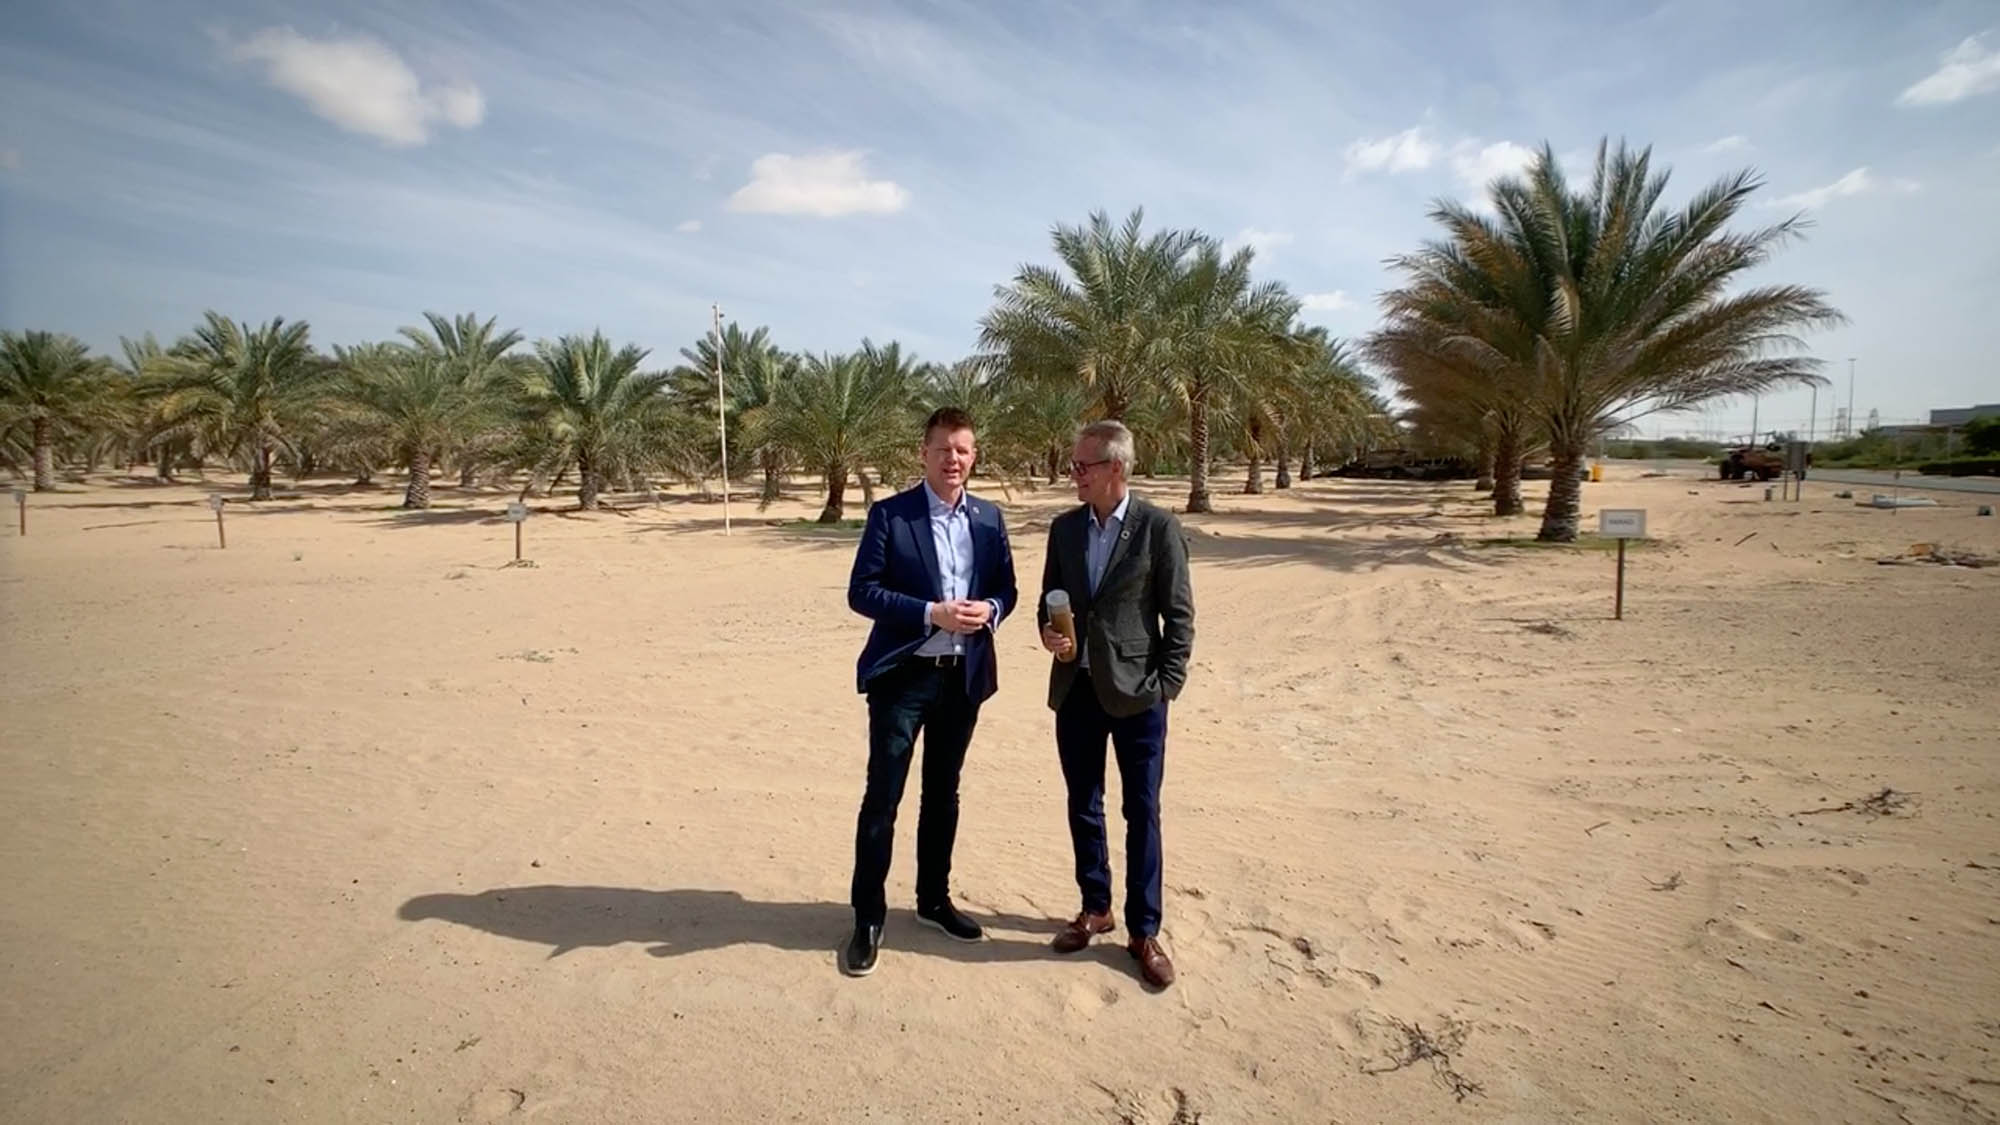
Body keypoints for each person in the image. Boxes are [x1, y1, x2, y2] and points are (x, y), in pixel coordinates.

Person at [841, 407, 1018, 977]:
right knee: (883, 797)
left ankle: (933, 901)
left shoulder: (989, 518)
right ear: (924, 453)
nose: (953, 459)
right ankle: (868, 917)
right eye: (943, 448)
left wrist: (990, 609)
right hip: (904, 677)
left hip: (961, 679)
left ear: (974, 456)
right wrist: (929, 613)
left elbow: (1007, 588)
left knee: (943, 795)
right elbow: (862, 592)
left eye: (963, 449)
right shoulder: (891, 515)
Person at [1036, 420, 1194, 989]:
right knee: (1084, 803)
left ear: (1117, 468)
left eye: (1083, 466)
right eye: (1073, 466)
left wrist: (1166, 685)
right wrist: (1049, 635)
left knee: (1141, 810)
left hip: (1138, 696)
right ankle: (1095, 907)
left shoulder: (1158, 528)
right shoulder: (1064, 529)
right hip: (1075, 690)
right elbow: (1048, 601)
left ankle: (1144, 930)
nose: (1073, 475)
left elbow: (1179, 616)